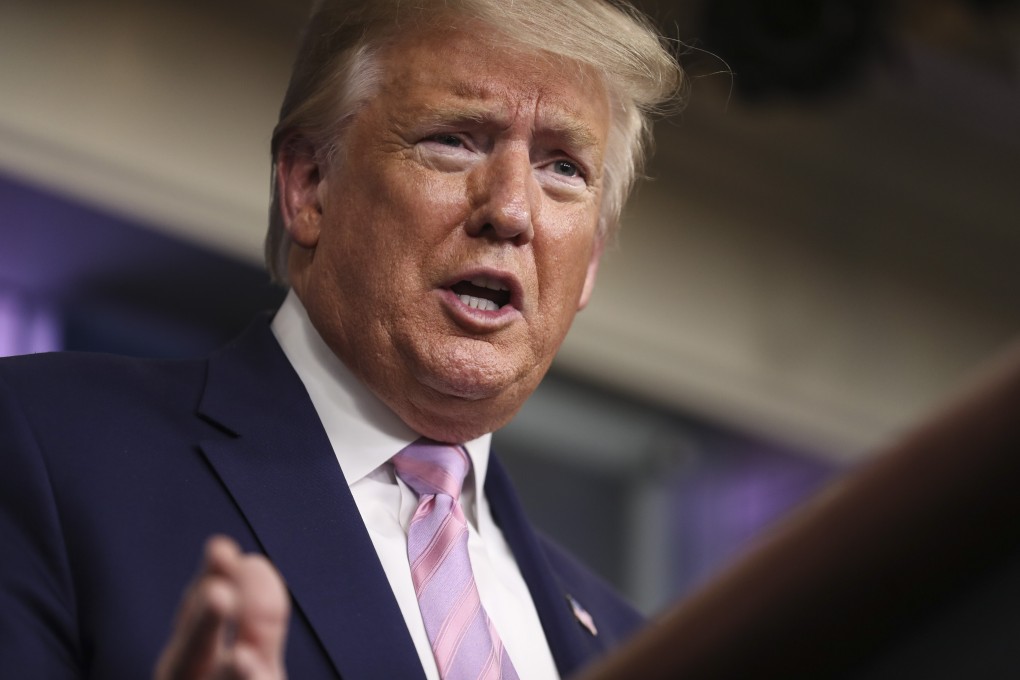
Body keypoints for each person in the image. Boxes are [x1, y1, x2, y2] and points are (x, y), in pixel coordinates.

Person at [0, 0, 682, 677]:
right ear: (309, 186)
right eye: (453, 139)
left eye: (563, 168)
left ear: (590, 260)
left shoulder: (634, 647)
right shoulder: (46, 446)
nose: (509, 210)